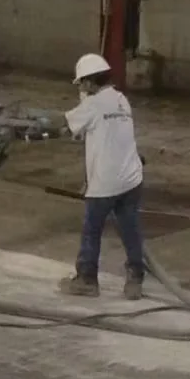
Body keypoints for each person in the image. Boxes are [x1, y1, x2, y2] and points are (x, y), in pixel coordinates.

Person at [58, 53, 146, 300]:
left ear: (87, 82)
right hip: (132, 178)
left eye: (81, 84)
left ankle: (86, 280)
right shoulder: (121, 100)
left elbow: (67, 124)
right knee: (130, 229)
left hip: (105, 183)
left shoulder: (92, 105)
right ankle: (135, 281)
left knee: (91, 230)